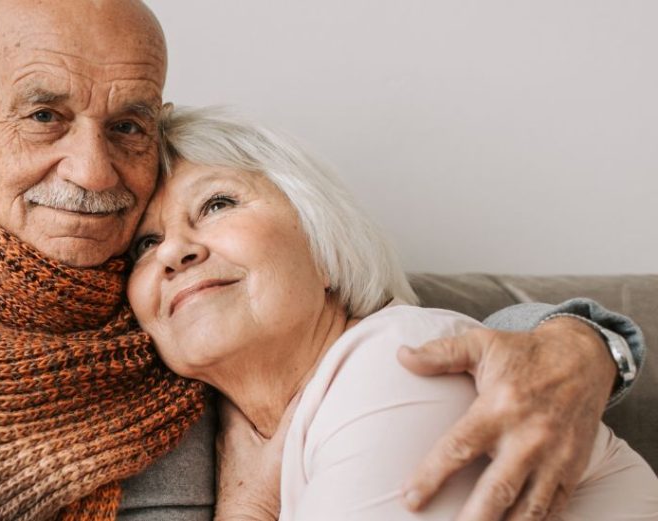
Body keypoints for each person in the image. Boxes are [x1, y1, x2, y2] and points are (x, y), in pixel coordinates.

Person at [0, 1, 646, 520]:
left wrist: (578, 344)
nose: (91, 168)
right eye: (44, 114)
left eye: (129, 125)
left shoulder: (190, 333)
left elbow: (415, 348)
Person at [126, 106, 658, 520]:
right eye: (146, 244)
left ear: (322, 241)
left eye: (217, 204)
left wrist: (247, 512)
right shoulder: (261, 432)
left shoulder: (400, 365)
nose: (174, 251)